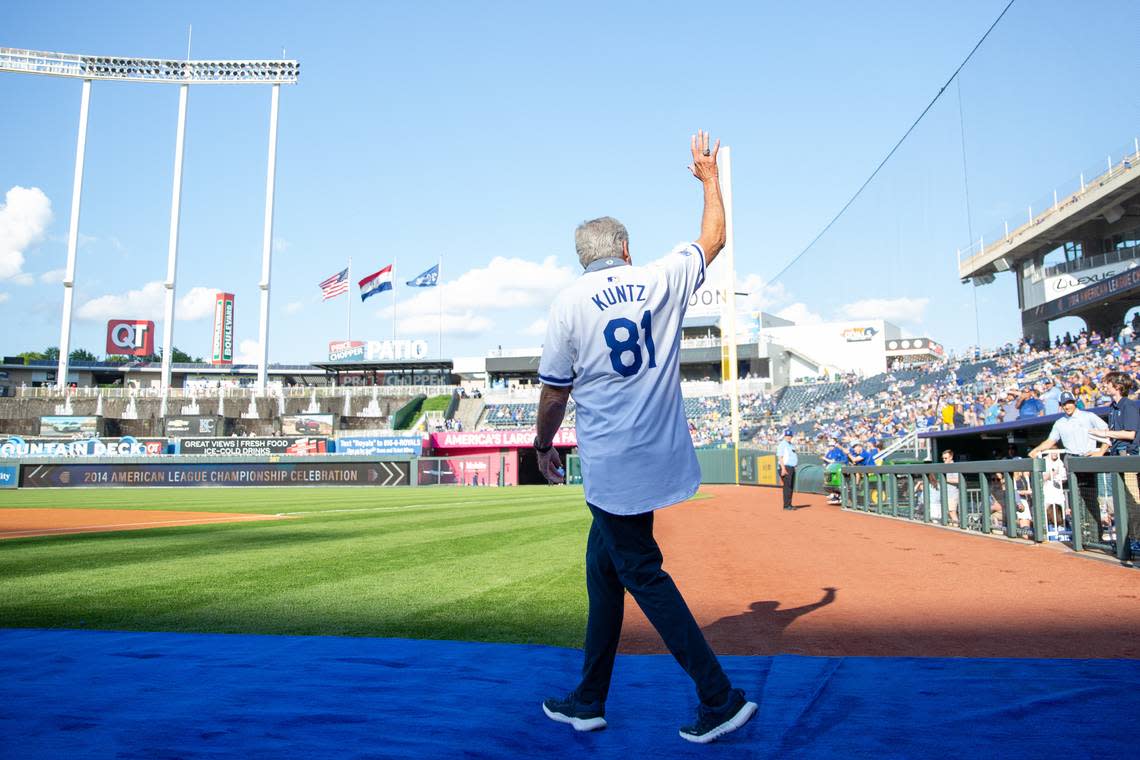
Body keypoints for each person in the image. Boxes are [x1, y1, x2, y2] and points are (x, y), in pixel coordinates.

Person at [534, 130, 756, 744]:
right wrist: (709, 179)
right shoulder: (658, 277)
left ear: (583, 256)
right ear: (624, 248)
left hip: (611, 464)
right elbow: (713, 238)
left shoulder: (568, 302)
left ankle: (719, 696)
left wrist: (542, 444)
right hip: (660, 451)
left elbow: (555, 392)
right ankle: (588, 698)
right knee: (603, 571)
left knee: (642, 574)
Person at [1028, 390, 1108, 542]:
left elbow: (1106, 431)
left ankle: (1096, 538)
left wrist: (1102, 451)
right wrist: (1037, 450)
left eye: (1069, 402)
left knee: (1091, 499)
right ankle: (1081, 538)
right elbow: (1051, 441)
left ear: (1074, 402)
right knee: (1076, 500)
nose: (1067, 406)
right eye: (1064, 404)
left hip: (1087, 459)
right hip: (1072, 460)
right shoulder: (1060, 423)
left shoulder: (1088, 416)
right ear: (1061, 406)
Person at [1091, 371, 1140, 556]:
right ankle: (1131, 539)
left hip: (1129, 457)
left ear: (1117, 386)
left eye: (1108, 383)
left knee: (1133, 502)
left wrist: (1104, 434)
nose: (1105, 386)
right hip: (1117, 456)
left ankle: (1136, 540)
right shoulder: (1113, 407)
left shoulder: (1128, 405)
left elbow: (1131, 434)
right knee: (1123, 502)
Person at [777, 428, 798, 510]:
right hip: (785, 467)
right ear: (784, 436)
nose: (788, 437)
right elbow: (780, 457)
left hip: (791, 467)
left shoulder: (791, 445)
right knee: (787, 487)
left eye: (790, 436)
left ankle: (789, 504)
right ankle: (786, 505)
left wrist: (794, 467)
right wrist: (783, 468)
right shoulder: (782, 444)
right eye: (787, 436)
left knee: (790, 487)